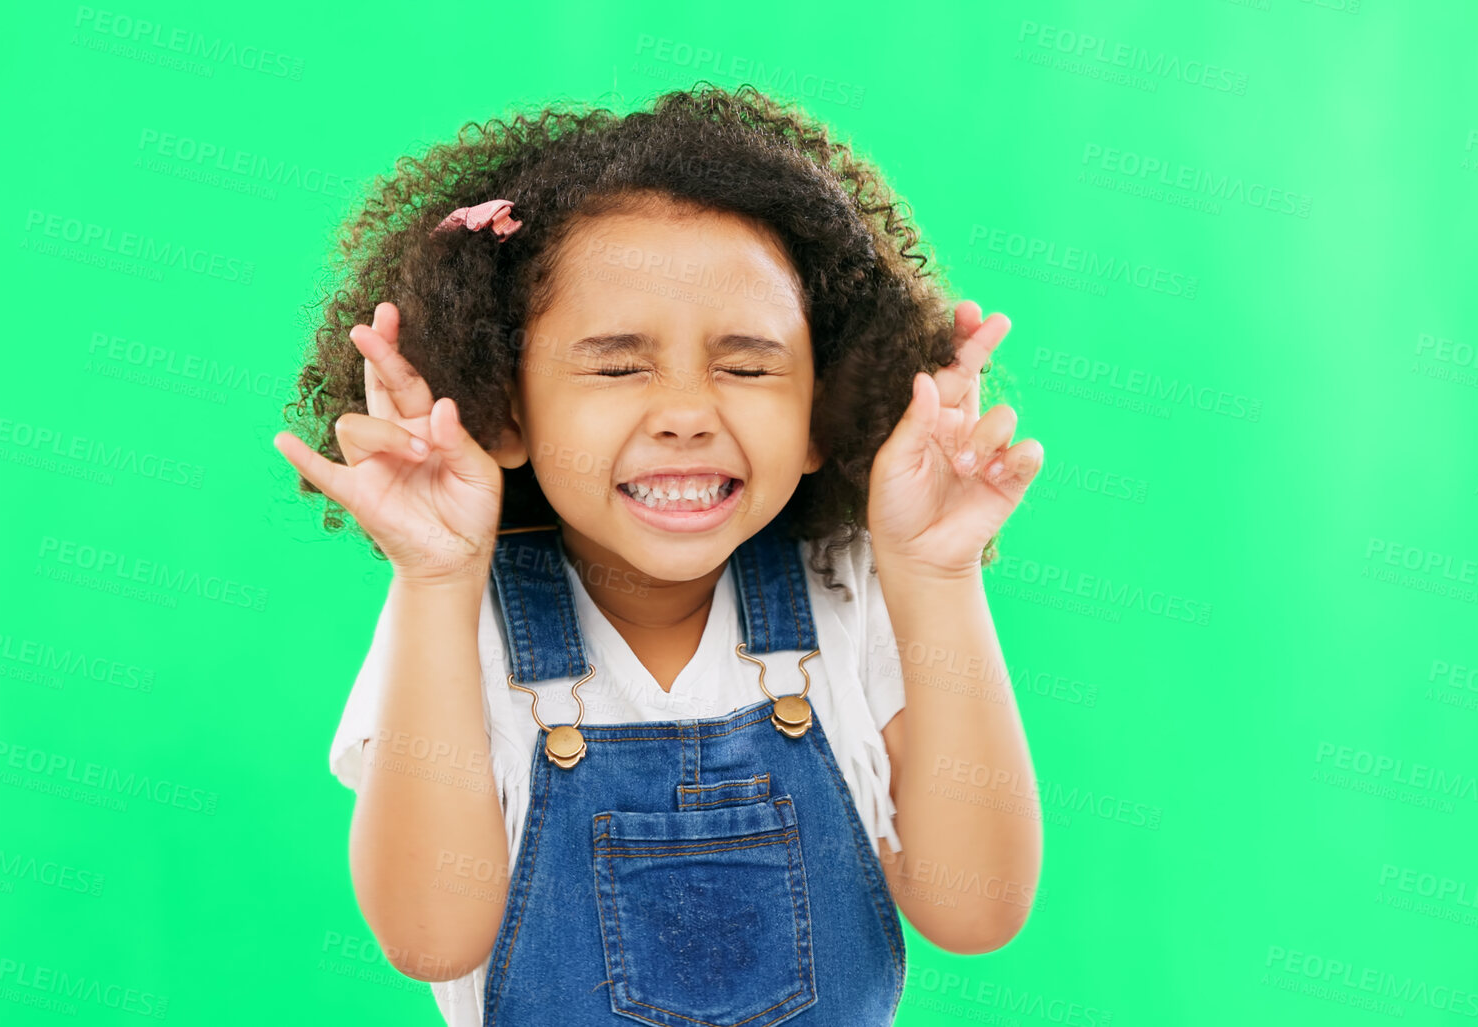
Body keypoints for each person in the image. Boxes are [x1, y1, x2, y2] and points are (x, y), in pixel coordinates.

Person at [273, 83, 1044, 1026]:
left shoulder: (855, 587)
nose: (685, 411)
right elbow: (429, 939)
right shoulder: (454, 616)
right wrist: (433, 579)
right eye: (617, 364)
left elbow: (975, 910)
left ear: (820, 415)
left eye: (747, 365)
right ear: (504, 410)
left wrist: (938, 573)